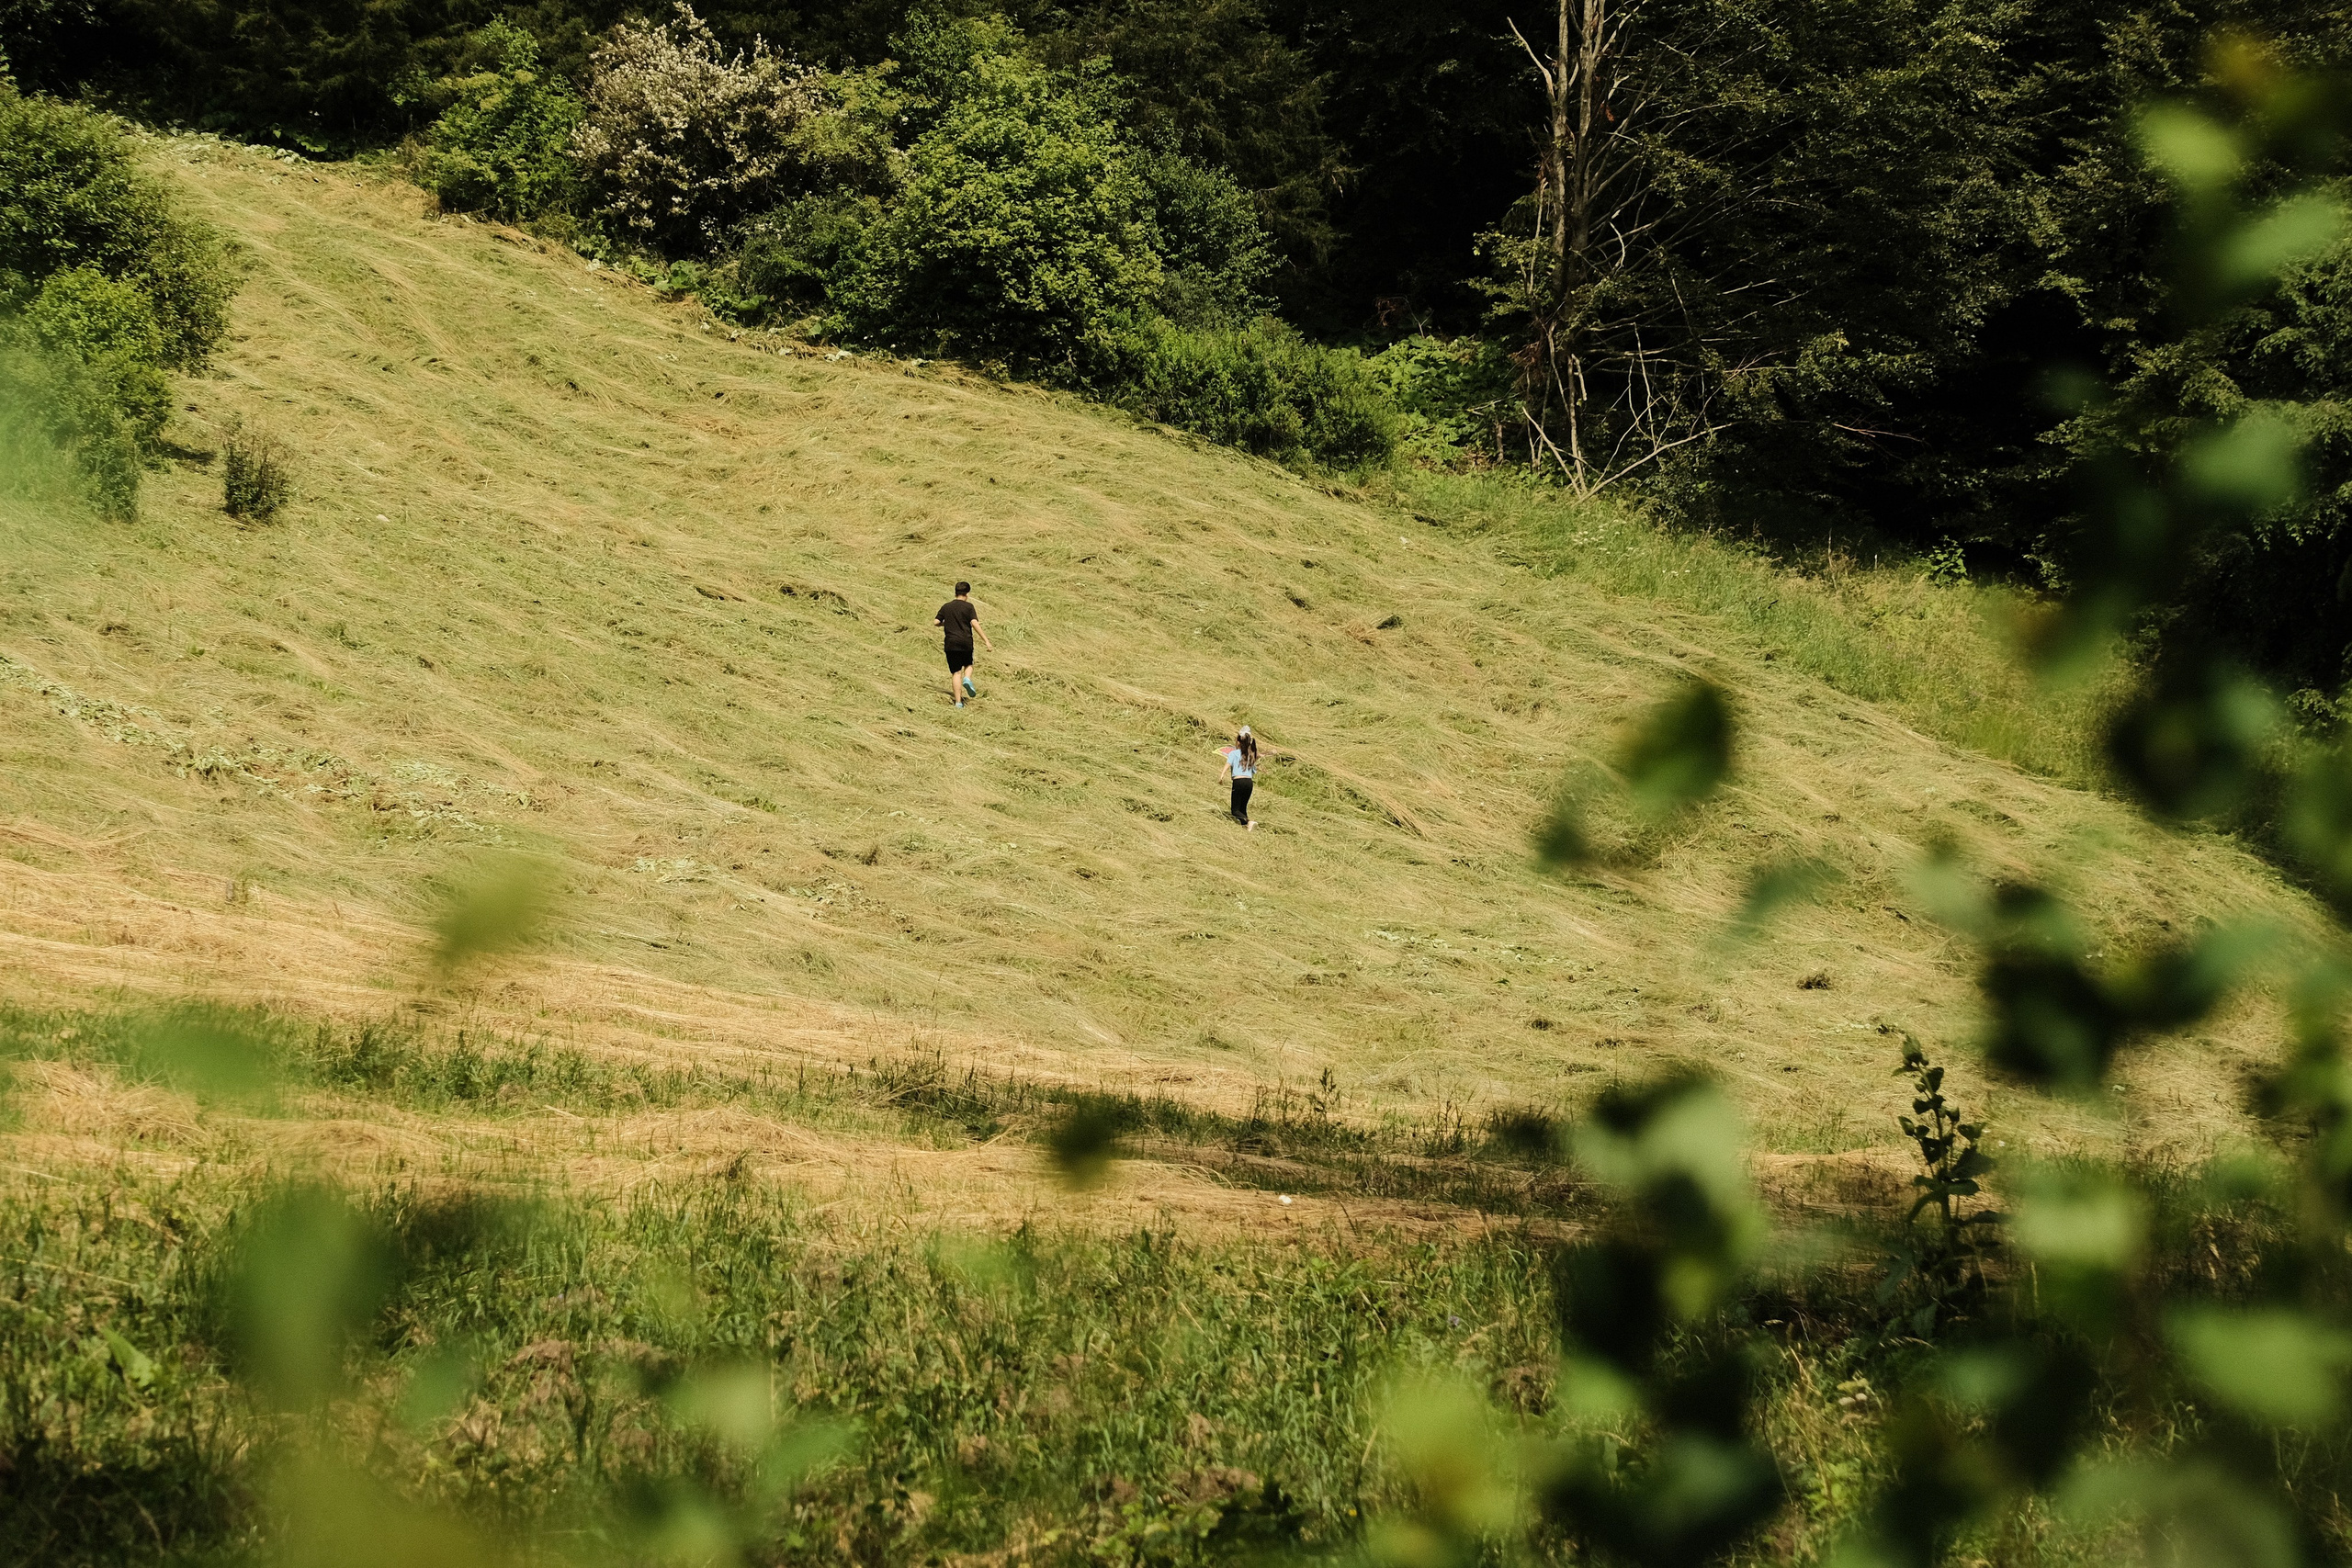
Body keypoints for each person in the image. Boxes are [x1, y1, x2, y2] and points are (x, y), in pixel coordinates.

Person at [933, 581, 993, 707]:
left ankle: (958, 703)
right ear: (967, 594)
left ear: (955, 592)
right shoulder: (969, 607)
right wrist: (986, 640)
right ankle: (967, 678)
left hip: (951, 643)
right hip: (965, 642)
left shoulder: (946, 606)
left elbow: (936, 622)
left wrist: (946, 623)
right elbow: (974, 623)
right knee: (968, 664)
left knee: (956, 673)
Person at [1216, 727, 1260, 829]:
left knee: (1235, 810)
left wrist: (1222, 775)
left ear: (1239, 743)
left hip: (1239, 781)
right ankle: (1246, 827)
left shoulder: (1233, 753)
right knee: (1242, 808)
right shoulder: (1250, 755)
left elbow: (1228, 764)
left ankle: (1249, 822)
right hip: (1249, 782)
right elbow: (1254, 771)